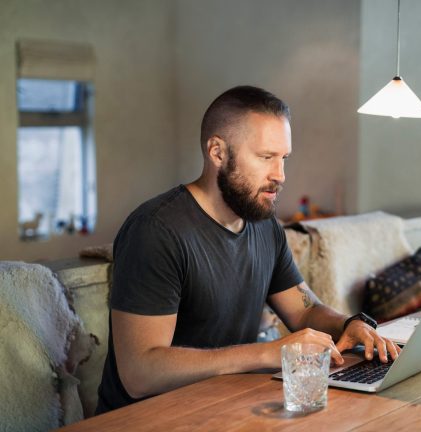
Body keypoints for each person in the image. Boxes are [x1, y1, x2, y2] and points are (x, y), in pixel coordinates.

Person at [96, 86, 401, 413]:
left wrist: (349, 325)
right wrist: (267, 353)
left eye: (283, 158)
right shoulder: (156, 231)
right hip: (149, 420)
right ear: (217, 152)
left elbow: (304, 310)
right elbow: (139, 373)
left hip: (224, 407)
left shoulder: (264, 226)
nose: (280, 175)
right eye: (265, 157)